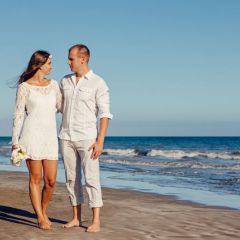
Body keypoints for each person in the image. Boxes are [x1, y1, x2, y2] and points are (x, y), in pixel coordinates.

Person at [59, 44, 113, 233]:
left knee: (91, 179)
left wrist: (100, 140)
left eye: (71, 58)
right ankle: (76, 217)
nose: (68, 61)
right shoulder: (64, 81)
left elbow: (105, 114)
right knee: (71, 179)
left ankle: (96, 220)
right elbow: (58, 105)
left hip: (88, 138)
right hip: (66, 136)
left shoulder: (98, 82)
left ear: (83, 59)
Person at [11, 50, 62, 230]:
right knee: (35, 178)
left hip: (49, 137)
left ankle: (42, 209)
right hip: (31, 135)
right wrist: (15, 141)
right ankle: (40, 217)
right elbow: (18, 115)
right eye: (48, 63)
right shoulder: (24, 87)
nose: (51, 67)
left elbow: (61, 107)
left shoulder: (54, 85)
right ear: (39, 65)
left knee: (51, 181)